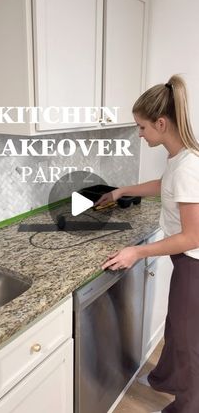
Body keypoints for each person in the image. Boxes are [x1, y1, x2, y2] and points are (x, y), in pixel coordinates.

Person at [95, 74, 199, 413]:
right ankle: (164, 381)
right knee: (176, 326)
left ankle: (186, 407)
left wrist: (136, 251)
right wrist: (122, 191)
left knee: (189, 344)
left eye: (142, 127)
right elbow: (163, 185)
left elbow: (192, 236)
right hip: (186, 261)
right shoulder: (179, 158)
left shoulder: (187, 167)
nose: (139, 134)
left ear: (161, 122)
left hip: (194, 263)